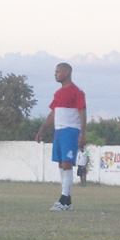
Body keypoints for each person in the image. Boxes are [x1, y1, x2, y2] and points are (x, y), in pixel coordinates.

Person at [35, 62, 87, 211]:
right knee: (60, 164)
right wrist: (42, 129)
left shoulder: (77, 92)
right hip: (58, 131)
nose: (55, 74)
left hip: (71, 131)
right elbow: (53, 113)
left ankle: (63, 199)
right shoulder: (58, 93)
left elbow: (82, 112)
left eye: (58, 71)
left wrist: (83, 133)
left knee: (67, 163)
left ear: (67, 72)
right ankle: (67, 201)